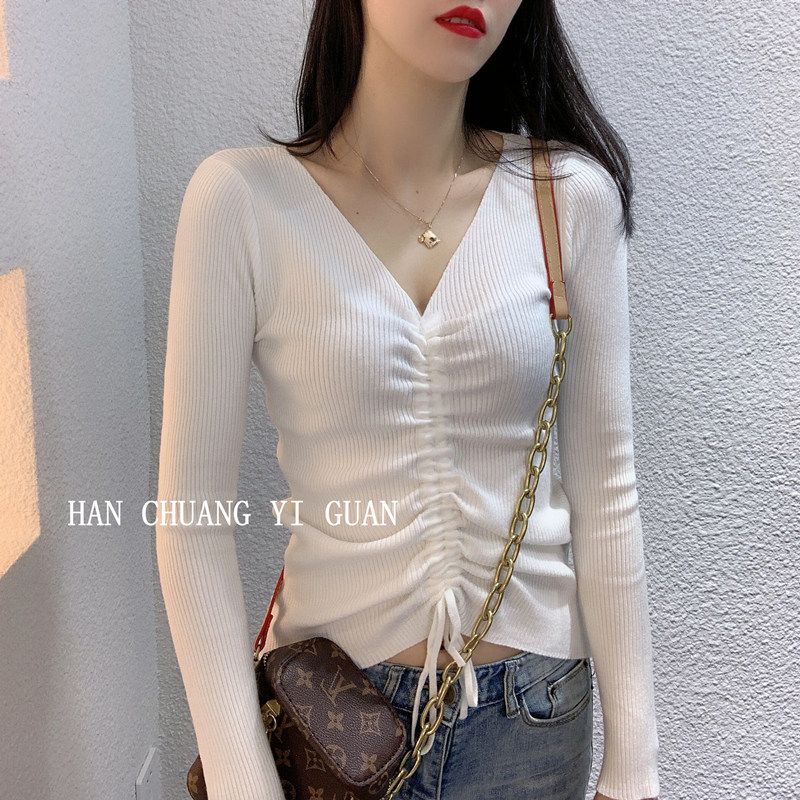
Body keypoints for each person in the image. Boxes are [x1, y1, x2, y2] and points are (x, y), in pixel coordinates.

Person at [155, 1, 661, 799]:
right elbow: (192, 525)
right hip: (332, 725)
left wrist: (635, 766)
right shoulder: (243, 200)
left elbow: (607, 489)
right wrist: (241, 780)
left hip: (534, 718)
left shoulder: (567, 197)